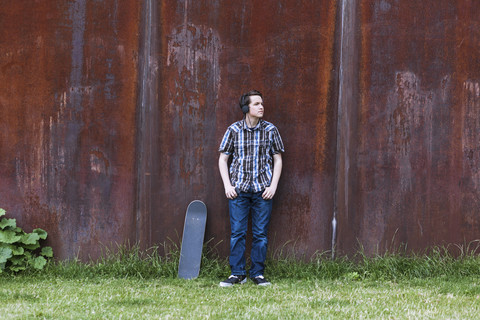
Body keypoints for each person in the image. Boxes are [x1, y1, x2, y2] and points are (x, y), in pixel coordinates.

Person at [218, 90, 284, 287]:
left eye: (262, 103)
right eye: (256, 104)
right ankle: (237, 274)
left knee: (260, 234)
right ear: (246, 108)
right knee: (237, 233)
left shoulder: (271, 130)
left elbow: (278, 159)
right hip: (239, 191)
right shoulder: (233, 130)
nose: (261, 107)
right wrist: (227, 185)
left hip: (263, 190)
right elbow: (223, 159)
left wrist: (273, 186)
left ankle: (257, 274)